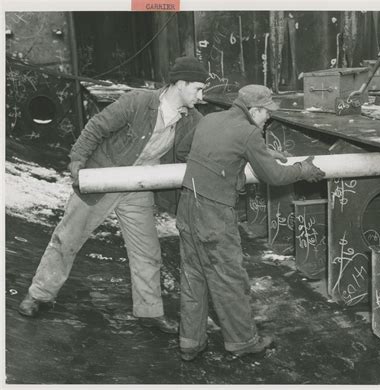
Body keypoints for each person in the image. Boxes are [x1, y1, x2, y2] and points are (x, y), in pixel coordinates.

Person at [18, 56, 209, 334]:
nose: (201, 97)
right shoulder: (139, 102)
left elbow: (210, 143)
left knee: (147, 251)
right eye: (198, 89)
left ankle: (149, 312)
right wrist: (77, 160)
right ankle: (39, 295)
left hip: (138, 186)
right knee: (67, 238)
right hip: (104, 178)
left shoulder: (191, 119)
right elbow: (97, 126)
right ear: (180, 84)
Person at [176, 84, 326, 360]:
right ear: (253, 110)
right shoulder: (249, 132)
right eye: (266, 113)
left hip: (187, 205)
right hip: (214, 214)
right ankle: (242, 341)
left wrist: (232, 165)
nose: (268, 118)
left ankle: (190, 342)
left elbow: (184, 150)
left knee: (193, 275)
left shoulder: (210, 119)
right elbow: (275, 178)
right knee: (228, 278)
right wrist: (303, 169)